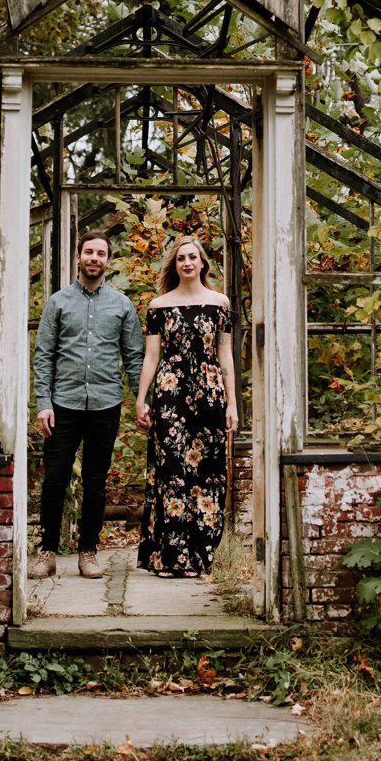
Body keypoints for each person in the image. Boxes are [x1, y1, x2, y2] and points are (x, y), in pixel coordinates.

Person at [30, 230, 143, 580]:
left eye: (101, 253)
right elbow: (44, 355)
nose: (94, 258)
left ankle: (88, 552)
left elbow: (135, 357)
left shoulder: (122, 305)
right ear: (78, 257)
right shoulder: (58, 302)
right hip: (63, 404)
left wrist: (141, 402)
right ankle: (47, 551)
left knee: (96, 481)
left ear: (108, 260)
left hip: (106, 405)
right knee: (55, 479)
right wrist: (43, 403)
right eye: (89, 252)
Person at [136, 234, 238, 578]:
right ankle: (171, 557)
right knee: (171, 471)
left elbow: (226, 356)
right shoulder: (158, 306)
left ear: (203, 262)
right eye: (181, 258)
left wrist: (232, 404)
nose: (188, 263)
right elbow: (152, 357)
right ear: (175, 265)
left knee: (207, 471)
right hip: (170, 392)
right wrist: (141, 399)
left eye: (193, 257)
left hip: (210, 393)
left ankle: (201, 555)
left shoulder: (220, 303)